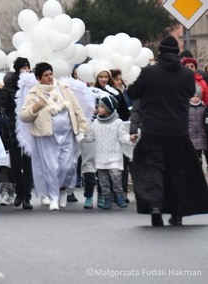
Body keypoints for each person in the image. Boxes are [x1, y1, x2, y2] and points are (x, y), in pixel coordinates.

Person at [128, 36, 208, 226]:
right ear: (177, 54)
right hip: (178, 131)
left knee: (153, 168)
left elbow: (132, 94)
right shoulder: (187, 75)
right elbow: (190, 93)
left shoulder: (149, 72)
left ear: (160, 52)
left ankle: (155, 206)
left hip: (153, 130)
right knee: (178, 171)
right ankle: (178, 213)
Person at [19, 63, 89, 211]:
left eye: (51, 74)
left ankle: (62, 189)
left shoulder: (64, 88)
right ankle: (54, 197)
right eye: (46, 75)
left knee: (67, 165)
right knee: (51, 167)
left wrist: (82, 128)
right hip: (46, 135)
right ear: (39, 78)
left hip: (67, 133)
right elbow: (24, 116)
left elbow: (77, 109)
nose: (50, 77)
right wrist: (37, 106)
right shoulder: (34, 93)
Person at [82, 94, 133, 210]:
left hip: (114, 156)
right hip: (101, 157)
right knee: (103, 180)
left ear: (109, 109)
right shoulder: (95, 123)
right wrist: (82, 135)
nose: (98, 109)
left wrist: (131, 139)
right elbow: (91, 138)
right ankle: (106, 198)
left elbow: (122, 137)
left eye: (101, 106)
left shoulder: (118, 122)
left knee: (115, 176)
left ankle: (119, 195)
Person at [0, 57, 34, 210]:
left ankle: (27, 195)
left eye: (28, 68)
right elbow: (5, 108)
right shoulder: (9, 88)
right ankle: (19, 191)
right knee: (15, 164)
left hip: (29, 129)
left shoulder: (33, 85)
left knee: (28, 164)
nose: (26, 71)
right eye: (23, 68)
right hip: (14, 129)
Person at [187, 85, 207, 165]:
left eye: (197, 96)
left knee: (199, 158)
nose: (195, 98)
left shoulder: (203, 108)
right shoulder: (186, 108)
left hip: (201, 136)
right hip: (190, 136)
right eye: (193, 96)